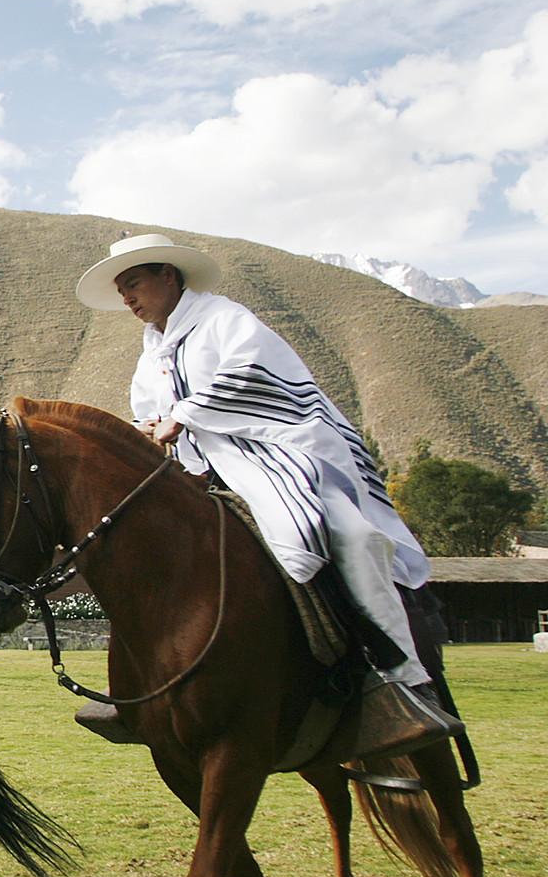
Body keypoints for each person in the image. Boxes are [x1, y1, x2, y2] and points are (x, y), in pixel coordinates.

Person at [75, 231, 460, 759]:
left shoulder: (225, 319)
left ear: (169, 276)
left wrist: (181, 417)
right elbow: (150, 414)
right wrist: (146, 431)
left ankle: (399, 680)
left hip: (280, 456)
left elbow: (254, 376)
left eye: (134, 283)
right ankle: (137, 688)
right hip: (201, 474)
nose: (128, 298)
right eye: (122, 290)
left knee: (351, 537)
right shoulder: (151, 357)